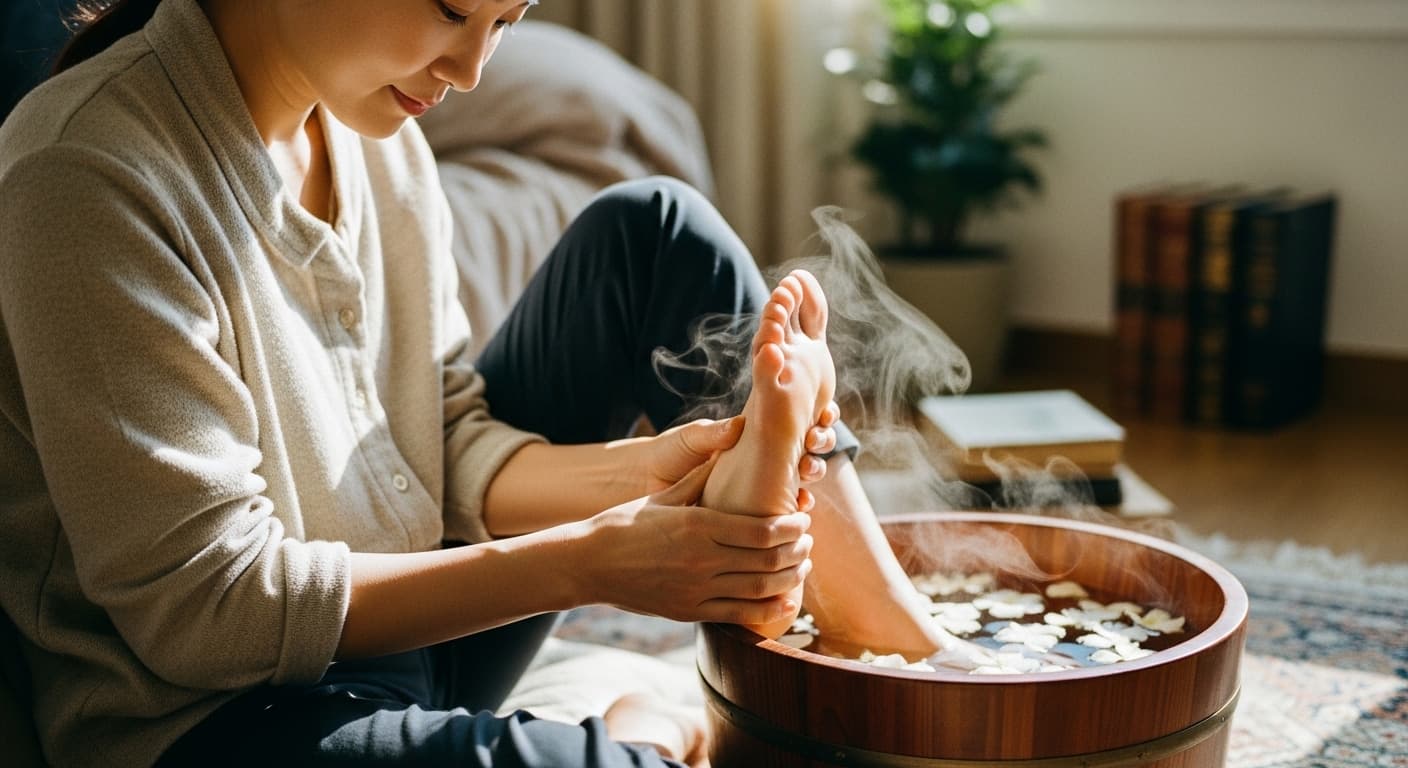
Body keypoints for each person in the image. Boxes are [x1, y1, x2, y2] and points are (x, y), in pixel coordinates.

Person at [0, 0, 944, 766]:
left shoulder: (373, 131)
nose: (470, 70)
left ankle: (890, 632)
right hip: (220, 721)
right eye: (453, 11)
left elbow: (437, 441)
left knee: (657, 232)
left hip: (414, 646)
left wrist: (654, 470)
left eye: (506, 22)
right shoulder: (87, 173)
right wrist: (592, 560)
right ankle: (652, 731)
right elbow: (206, 613)